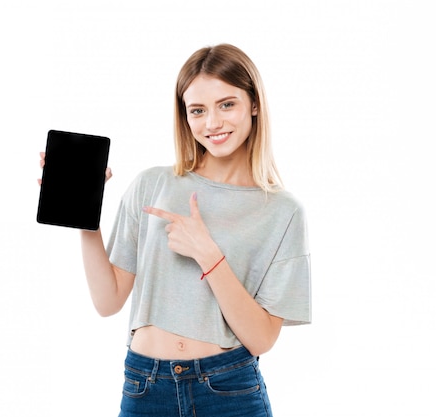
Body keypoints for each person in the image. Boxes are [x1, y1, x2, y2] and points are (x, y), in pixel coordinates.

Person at [40, 43, 311, 417]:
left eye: (226, 104)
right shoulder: (153, 185)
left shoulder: (283, 211)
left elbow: (262, 339)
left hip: (228, 390)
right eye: (197, 110)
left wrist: (209, 254)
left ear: (254, 104)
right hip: (145, 387)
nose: (212, 123)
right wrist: (86, 214)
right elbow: (108, 301)